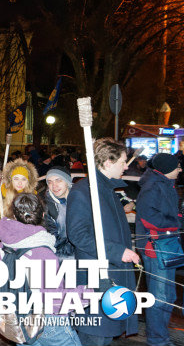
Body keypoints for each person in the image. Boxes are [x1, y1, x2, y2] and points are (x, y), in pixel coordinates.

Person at [66, 138, 139, 345]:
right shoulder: (83, 191)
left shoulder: (106, 189)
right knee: (95, 336)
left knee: (105, 336)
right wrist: (118, 251)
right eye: (123, 161)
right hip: (96, 279)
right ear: (108, 162)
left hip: (111, 274)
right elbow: (78, 235)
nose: (127, 166)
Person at [0, 193, 85, 346]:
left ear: (15, 216)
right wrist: (91, 291)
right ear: (43, 215)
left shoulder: (3, 246)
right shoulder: (42, 252)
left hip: (19, 317)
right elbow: (56, 300)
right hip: (47, 322)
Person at [135, 153, 181, 346]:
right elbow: (148, 218)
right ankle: (157, 340)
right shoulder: (153, 187)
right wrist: (176, 223)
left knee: (168, 296)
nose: (180, 169)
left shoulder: (163, 184)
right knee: (160, 297)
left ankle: (160, 336)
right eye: (177, 166)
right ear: (167, 169)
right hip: (155, 247)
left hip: (165, 245)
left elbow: (169, 211)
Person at [42, 166, 75, 259]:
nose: (54, 186)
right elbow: (52, 240)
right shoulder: (46, 206)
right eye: (50, 182)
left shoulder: (81, 199)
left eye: (58, 180)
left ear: (67, 182)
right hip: (62, 256)